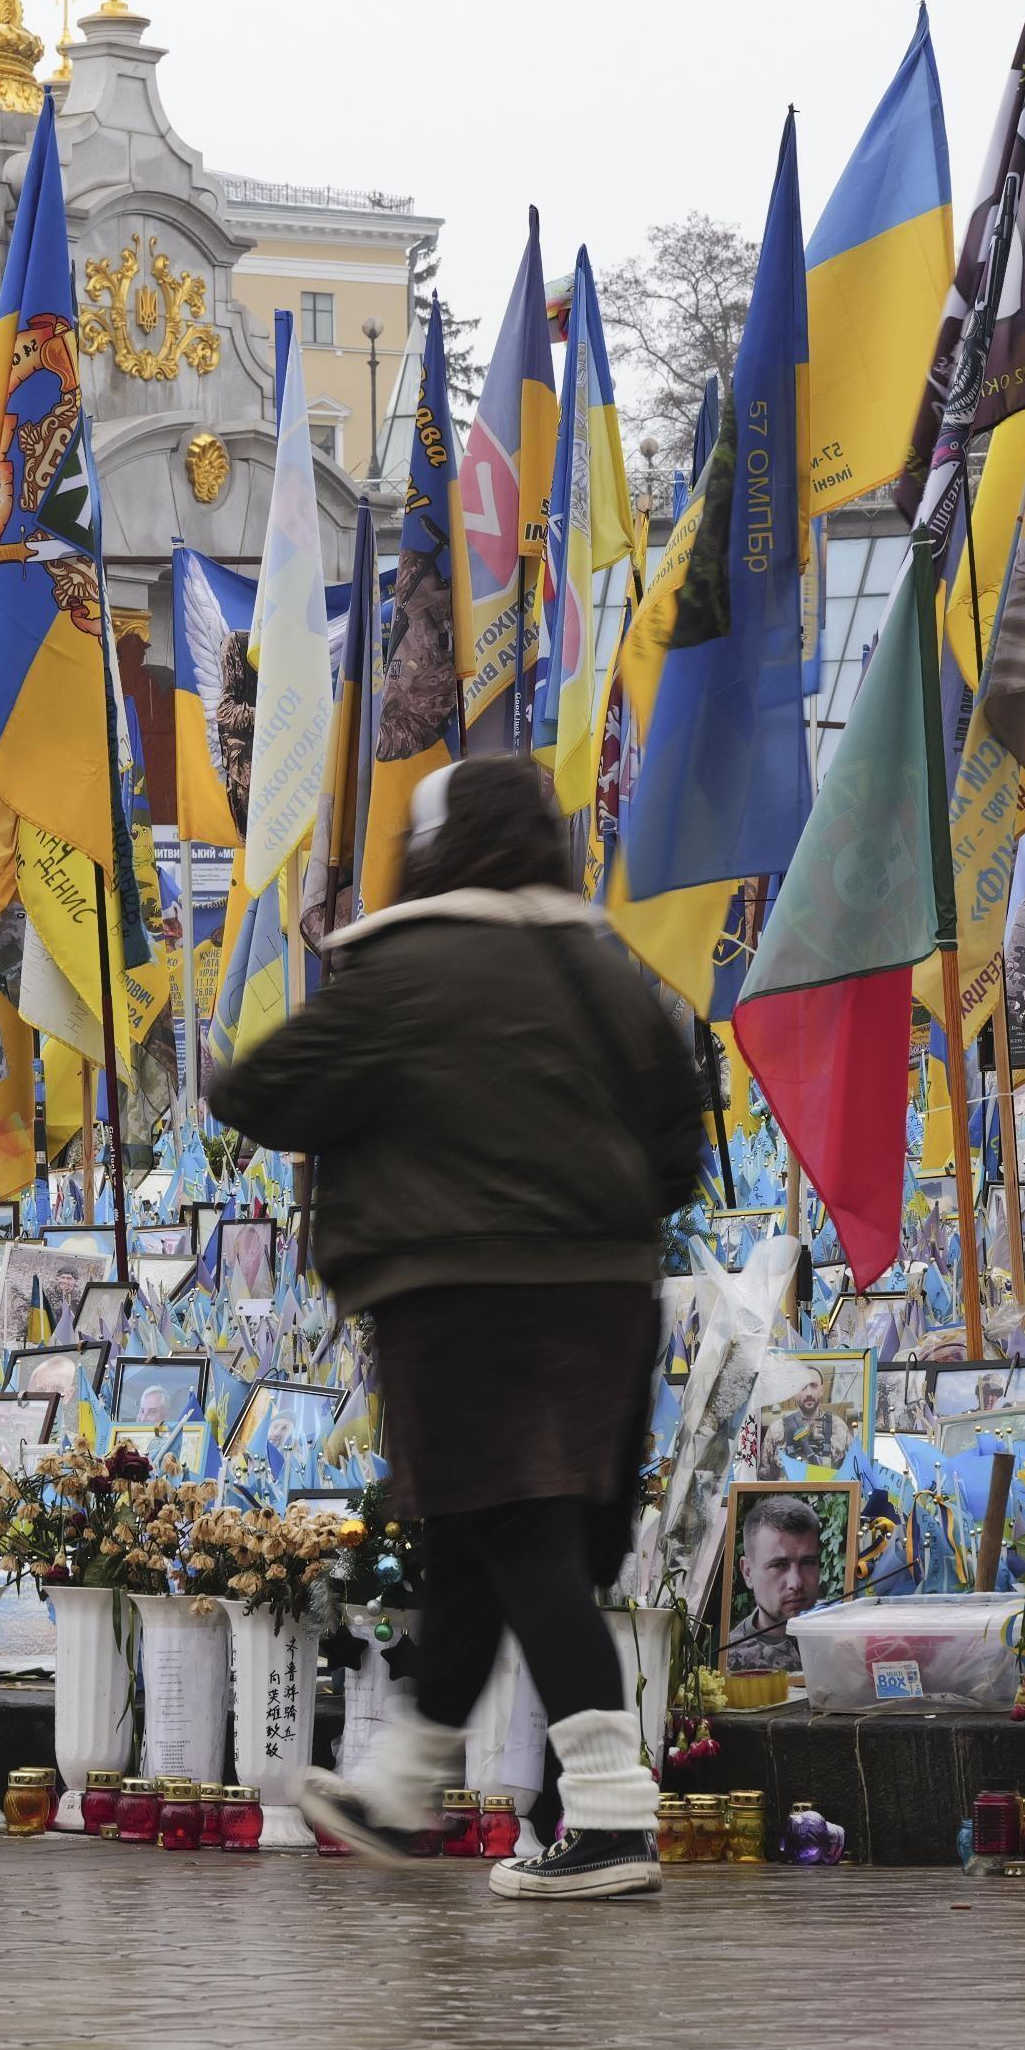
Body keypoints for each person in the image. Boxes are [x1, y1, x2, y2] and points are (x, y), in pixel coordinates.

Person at [220, 755, 711, 1901]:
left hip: (462, 1300)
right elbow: (678, 1151)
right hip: (607, 1300)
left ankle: (609, 1813)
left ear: (435, 849)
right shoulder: (609, 974)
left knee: (522, 1540)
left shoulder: (407, 971)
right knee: (480, 1540)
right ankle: (403, 1785)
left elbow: (257, 1092)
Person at [721, 1497, 830, 1674]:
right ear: (747, 1572)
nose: (796, 1583)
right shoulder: (729, 1661)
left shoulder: (842, 1637)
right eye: (779, 1565)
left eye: (808, 1562)